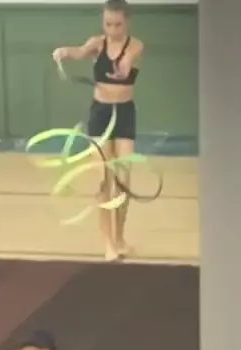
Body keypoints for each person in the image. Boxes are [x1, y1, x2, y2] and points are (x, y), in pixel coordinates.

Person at [52, 0, 144, 262]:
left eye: (117, 24)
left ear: (127, 22)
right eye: (108, 24)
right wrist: (63, 52)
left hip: (124, 114)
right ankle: (108, 244)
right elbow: (79, 52)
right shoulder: (97, 43)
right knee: (105, 181)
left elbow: (128, 61)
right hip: (100, 114)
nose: (112, 30)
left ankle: (120, 238)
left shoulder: (135, 45)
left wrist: (123, 67)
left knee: (123, 182)